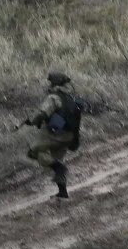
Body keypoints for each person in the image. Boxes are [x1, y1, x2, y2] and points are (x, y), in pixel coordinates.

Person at [20, 70, 83, 200]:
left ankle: (58, 167)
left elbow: (43, 113)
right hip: (70, 136)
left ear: (54, 83)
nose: (48, 85)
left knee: (35, 151)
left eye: (50, 82)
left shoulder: (54, 97)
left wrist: (31, 121)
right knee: (57, 159)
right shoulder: (71, 97)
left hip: (56, 134)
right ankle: (63, 192)